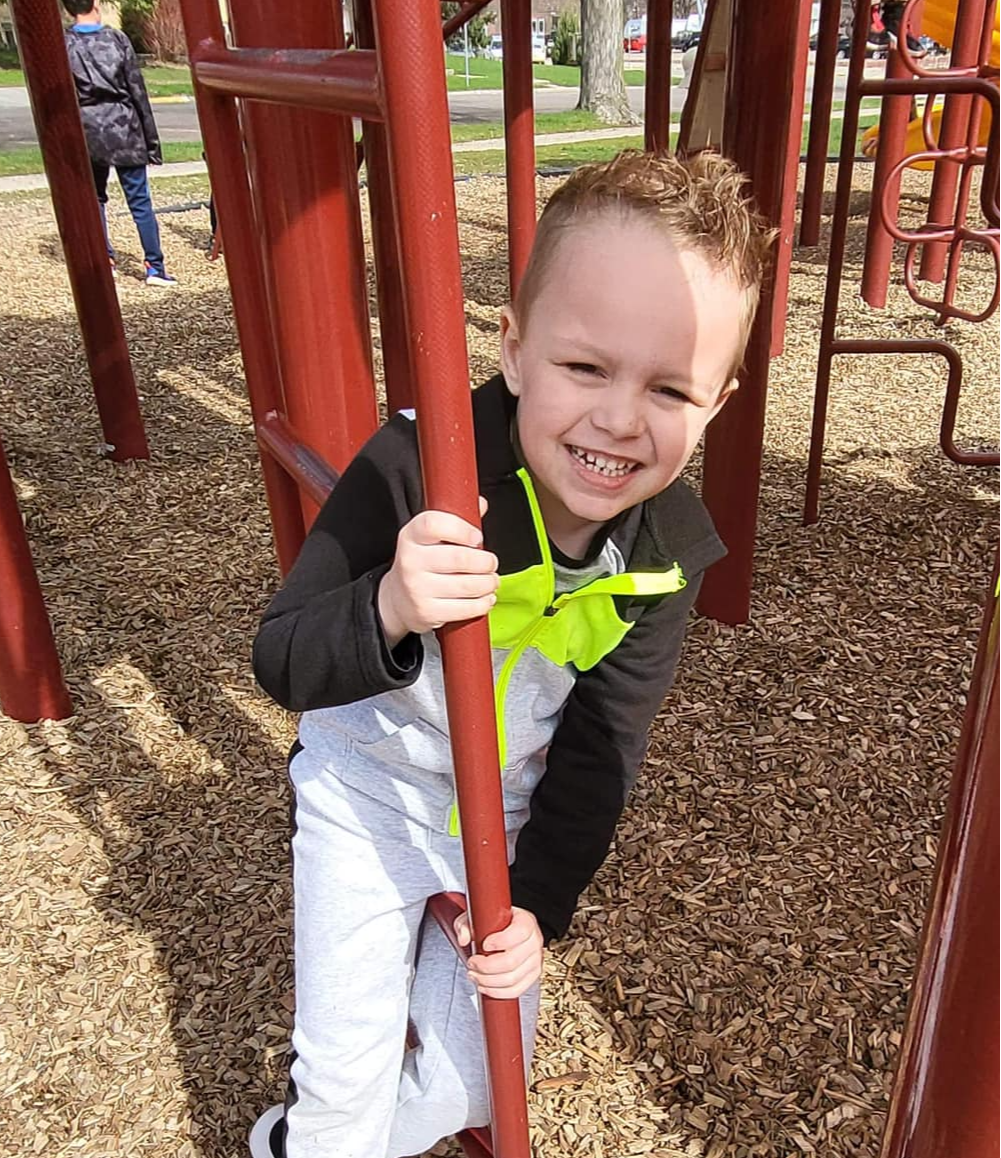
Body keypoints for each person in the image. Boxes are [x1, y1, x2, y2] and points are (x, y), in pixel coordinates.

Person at [249, 150, 774, 1158]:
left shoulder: (664, 553)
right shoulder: (418, 464)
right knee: (341, 1109)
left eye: (669, 389)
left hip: (507, 815)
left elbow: (598, 753)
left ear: (716, 401)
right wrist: (392, 604)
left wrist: (536, 903)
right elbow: (281, 657)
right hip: (366, 797)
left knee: (474, 1084)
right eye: (584, 367)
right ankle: (300, 1140)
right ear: (515, 350)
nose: (619, 420)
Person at [62, 0, 177, 286]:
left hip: (87, 127)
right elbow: (137, 91)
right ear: (96, 4)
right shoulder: (116, 39)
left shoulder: (64, 44)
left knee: (95, 199)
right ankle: (154, 266)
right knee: (140, 202)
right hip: (124, 125)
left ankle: (104, 260)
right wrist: (152, 143)